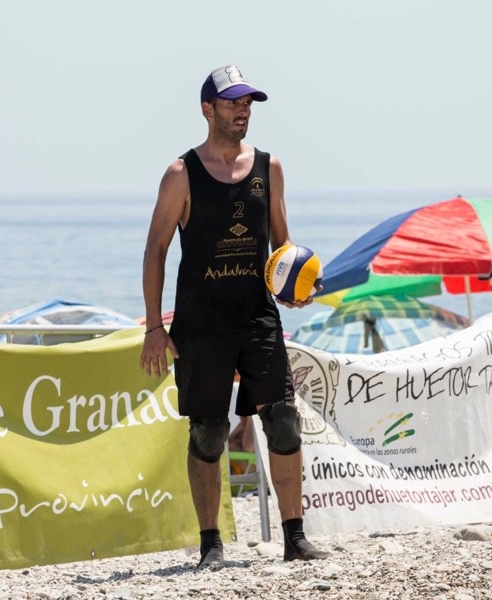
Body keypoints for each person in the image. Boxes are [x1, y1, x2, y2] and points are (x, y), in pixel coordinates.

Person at [139, 64, 330, 568]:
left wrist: (297, 287)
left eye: (247, 103)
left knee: (283, 422)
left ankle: (295, 538)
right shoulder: (181, 174)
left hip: (257, 319)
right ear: (208, 109)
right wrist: (154, 327)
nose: (242, 111)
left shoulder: (270, 168)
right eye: (232, 103)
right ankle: (211, 545)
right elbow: (156, 250)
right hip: (201, 325)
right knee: (207, 432)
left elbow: (282, 246)